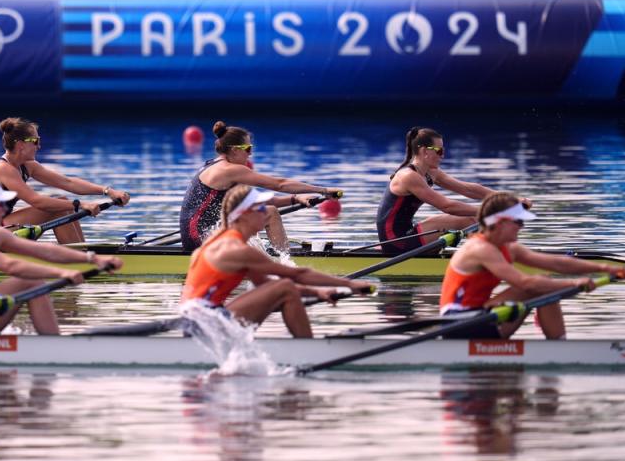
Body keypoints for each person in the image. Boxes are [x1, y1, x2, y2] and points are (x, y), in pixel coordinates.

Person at [0, 178, 124, 334]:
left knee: (31, 284)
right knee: (29, 282)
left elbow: (45, 250)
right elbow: (10, 265)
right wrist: (61, 273)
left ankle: (51, 345)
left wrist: (92, 259)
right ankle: (55, 347)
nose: (4, 211)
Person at [179, 185, 372, 338]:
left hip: (200, 320)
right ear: (245, 214)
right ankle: (308, 351)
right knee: (286, 288)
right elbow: (298, 274)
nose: (266, 212)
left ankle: (304, 347)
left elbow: (265, 285)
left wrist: (317, 292)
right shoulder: (236, 249)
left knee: (284, 289)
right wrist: (348, 284)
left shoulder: (219, 240)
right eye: (261, 208)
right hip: (203, 325)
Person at [438, 192, 625, 339]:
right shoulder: (480, 249)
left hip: (481, 317)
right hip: (458, 324)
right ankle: (560, 348)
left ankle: (559, 346)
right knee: (539, 285)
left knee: (543, 282)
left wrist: (603, 268)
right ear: (500, 222)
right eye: (518, 221)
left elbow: (557, 263)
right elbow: (526, 283)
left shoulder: (508, 248)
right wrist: (574, 284)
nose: (522, 227)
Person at [178, 121, 340, 253]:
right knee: (270, 213)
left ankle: (272, 256)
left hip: (203, 233)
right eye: (247, 149)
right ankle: (285, 262)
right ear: (234, 150)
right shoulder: (229, 170)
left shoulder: (216, 165)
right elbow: (279, 184)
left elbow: (257, 201)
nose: (250, 154)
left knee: (258, 215)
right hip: (199, 239)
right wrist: (322, 190)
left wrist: (296, 198)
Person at [376, 126, 527, 256]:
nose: (443, 155)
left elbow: (469, 189)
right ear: (424, 151)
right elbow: (448, 206)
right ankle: (487, 259)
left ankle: (489, 255)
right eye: (439, 151)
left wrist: (510, 200)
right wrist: (489, 212)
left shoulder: (431, 172)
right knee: (469, 220)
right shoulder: (408, 176)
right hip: (396, 242)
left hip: (408, 233)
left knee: (472, 220)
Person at [0, 118, 131, 244]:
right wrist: (80, 204)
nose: (39, 146)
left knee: (63, 203)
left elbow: (68, 183)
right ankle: (80, 259)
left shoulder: (27, 166)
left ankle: (83, 252)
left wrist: (108, 191)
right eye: (35, 141)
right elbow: (37, 201)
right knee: (61, 207)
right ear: (20, 144)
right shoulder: (0, 169)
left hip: (3, 228)